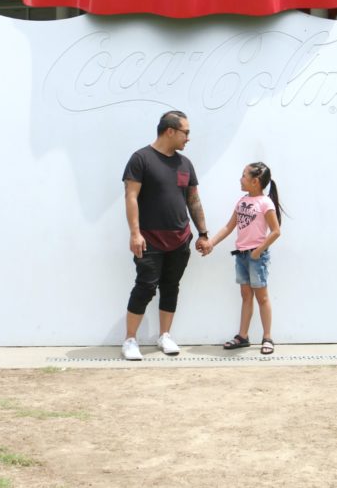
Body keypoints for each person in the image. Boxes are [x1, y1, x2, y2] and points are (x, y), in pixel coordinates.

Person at [121, 109, 210, 361]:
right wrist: (135, 233)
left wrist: (203, 233)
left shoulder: (185, 164)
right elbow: (131, 197)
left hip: (180, 238)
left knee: (171, 287)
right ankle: (129, 339)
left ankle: (165, 335)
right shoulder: (141, 159)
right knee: (145, 287)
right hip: (149, 238)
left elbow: (193, 200)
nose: (188, 138)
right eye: (186, 132)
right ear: (170, 131)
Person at [206, 162, 282, 355]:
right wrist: (211, 243)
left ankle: (267, 337)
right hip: (241, 256)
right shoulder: (242, 202)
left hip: (257, 256)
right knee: (246, 296)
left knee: (262, 297)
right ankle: (243, 336)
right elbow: (228, 227)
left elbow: (275, 231)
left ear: (255, 181)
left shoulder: (265, 203)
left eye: (243, 175)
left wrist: (259, 250)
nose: (240, 179)